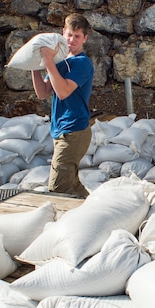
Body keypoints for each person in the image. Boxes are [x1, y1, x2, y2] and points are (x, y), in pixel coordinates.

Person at [32, 13, 94, 197]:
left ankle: (69, 222)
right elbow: (43, 92)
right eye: (69, 35)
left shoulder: (82, 63)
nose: (71, 40)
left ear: (85, 38)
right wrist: (35, 65)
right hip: (61, 131)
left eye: (77, 36)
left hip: (74, 131)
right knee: (72, 185)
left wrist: (49, 61)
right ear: (62, 33)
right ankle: (92, 208)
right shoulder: (60, 63)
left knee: (58, 188)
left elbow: (63, 91)